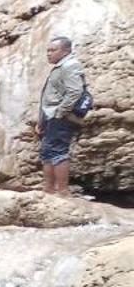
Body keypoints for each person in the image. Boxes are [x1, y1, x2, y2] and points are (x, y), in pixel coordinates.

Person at [37, 35, 87, 196]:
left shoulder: (70, 65)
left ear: (65, 51)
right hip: (52, 116)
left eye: (53, 50)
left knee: (58, 151)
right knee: (47, 151)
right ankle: (49, 190)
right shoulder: (61, 66)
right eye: (47, 50)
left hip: (61, 117)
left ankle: (63, 192)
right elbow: (49, 96)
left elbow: (75, 92)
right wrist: (42, 120)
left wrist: (60, 112)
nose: (48, 53)